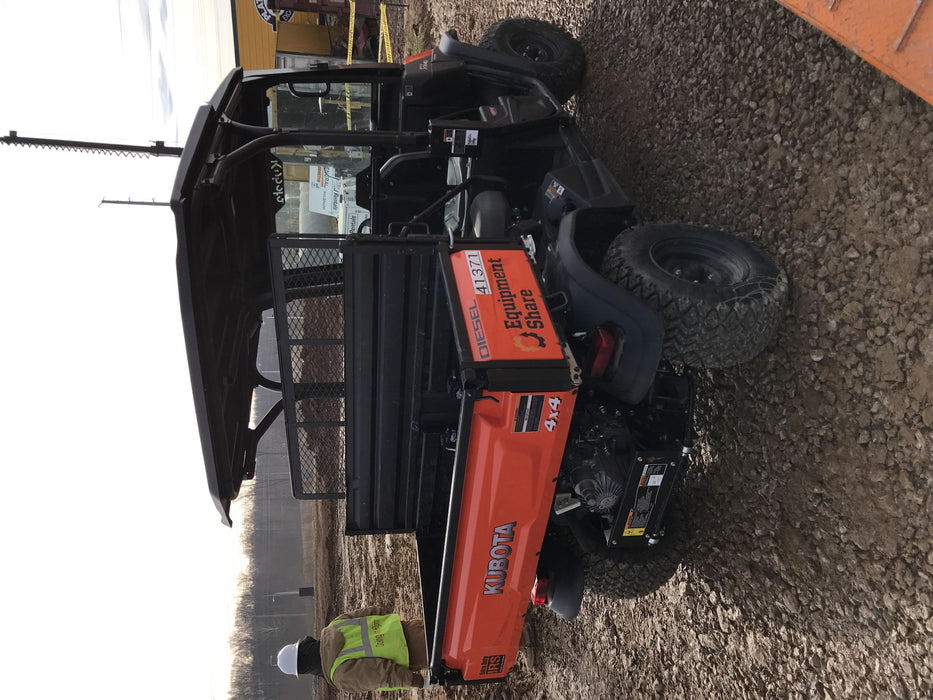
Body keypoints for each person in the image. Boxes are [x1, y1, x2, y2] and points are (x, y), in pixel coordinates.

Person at [276, 605, 429, 692]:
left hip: (417, 653)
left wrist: (417, 681)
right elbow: (373, 611)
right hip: (411, 626)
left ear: (305, 670)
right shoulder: (334, 625)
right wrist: (392, 626)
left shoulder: (340, 675)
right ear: (303, 645)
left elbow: (383, 675)